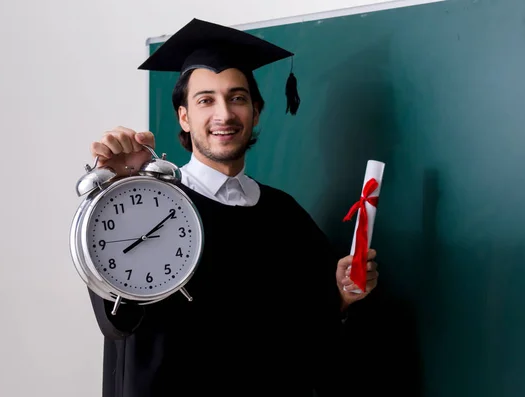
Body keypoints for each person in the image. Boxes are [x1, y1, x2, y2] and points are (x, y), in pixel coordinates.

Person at [86, 18, 379, 397]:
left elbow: (305, 332)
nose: (224, 114)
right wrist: (112, 195)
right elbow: (118, 319)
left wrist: (340, 294)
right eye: (205, 100)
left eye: (237, 98)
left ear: (256, 112)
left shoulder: (284, 214)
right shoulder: (148, 203)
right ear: (184, 117)